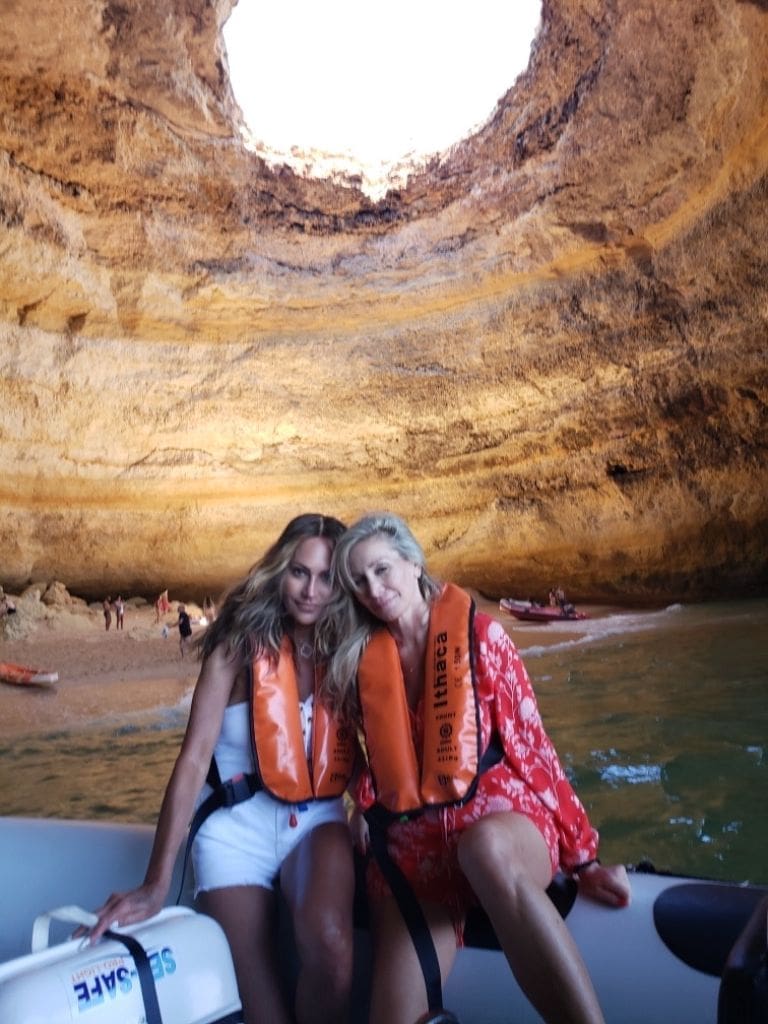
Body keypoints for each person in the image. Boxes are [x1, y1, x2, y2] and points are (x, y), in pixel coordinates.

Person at [324, 512, 631, 1024]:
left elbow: (534, 747)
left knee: (482, 847)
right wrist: (362, 805)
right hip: (417, 857)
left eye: (382, 570)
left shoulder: (481, 637)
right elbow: (357, 759)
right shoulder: (360, 664)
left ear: (412, 561)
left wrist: (583, 859)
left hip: (502, 829)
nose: (374, 589)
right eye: (359, 580)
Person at [86, 514, 356, 1024]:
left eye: (327, 578)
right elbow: (192, 759)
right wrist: (155, 882)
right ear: (280, 569)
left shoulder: (346, 650)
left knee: (332, 943)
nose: (311, 591)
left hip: (316, 823)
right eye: (300, 572)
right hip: (234, 834)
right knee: (262, 1008)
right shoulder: (237, 644)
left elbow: (368, 751)